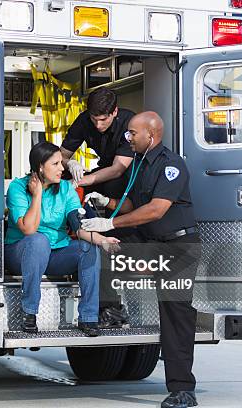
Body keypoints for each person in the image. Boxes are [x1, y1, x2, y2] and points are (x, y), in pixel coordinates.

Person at [81, 112, 201, 408]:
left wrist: (111, 223)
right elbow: (135, 205)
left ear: (151, 134)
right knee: (109, 248)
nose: (127, 138)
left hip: (177, 246)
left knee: (175, 315)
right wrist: (106, 203)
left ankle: (182, 390)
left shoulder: (172, 165)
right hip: (150, 241)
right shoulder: (138, 165)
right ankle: (111, 310)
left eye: (132, 133)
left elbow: (156, 210)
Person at [5, 141, 120, 337]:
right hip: (22, 253)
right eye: (56, 164)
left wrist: (102, 240)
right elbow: (28, 229)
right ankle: (29, 313)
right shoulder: (17, 187)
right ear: (40, 166)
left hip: (55, 254)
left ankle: (89, 317)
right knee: (38, 240)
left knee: (88, 248)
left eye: (61, 163)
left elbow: (79, 226)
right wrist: (38, 194)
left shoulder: (66, 189)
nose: (62, 168)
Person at [60, 87, 134, 326]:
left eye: (103, 120)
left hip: (127, 178)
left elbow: (119, 168)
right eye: (94, 119)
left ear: (114, 112)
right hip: (102, 173)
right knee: (67, 187)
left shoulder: (128, 122)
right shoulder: (85, 120)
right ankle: (82, 230)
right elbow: (60, 155)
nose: (98, 125)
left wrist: (85, 180)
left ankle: (113, 305)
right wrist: (70, 164)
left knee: (119, 241)